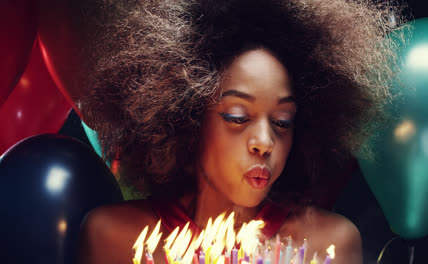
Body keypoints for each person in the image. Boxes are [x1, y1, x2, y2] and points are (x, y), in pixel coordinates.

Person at [76, 0, 405, 263]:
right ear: (186, 119)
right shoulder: (114, 237)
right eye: (237, 116)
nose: (264, 143)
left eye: (282, 122)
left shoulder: (329, 243)